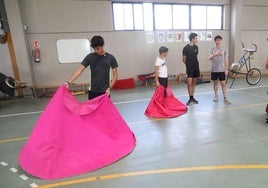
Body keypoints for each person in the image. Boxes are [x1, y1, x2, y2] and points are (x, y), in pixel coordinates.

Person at [65, 35, 118, 99]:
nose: (96, 51)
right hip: (92, 91)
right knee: (91, 109)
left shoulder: (110, 58)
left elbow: (115, 75)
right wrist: (69, 82)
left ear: (103, 45)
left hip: (105, 91)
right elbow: (79, 70)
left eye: (98, 48)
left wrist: (110, 88)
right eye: (94, 49)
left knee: (104, 109)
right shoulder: (90, 57)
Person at [145, 46, 187, 118]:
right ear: (163, 52)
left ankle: (164, 105)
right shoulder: (158, 60)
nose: (167, 53)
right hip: (161, 79)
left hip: (165, 78)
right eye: (166, 52)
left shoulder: (163, 58)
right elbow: (156, 71)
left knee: (164, 93)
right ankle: (159, 108)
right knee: (160, 95)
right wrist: (157, 81)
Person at [208, 35, 231, 104]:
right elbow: (210, 58)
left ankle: (225, 98)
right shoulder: (212, 49)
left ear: (221, 41)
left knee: (223, 84)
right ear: (215, 41)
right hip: (214, 69)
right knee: (215, 83)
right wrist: (215, 54)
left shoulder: (224, 49)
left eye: (219, 40)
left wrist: (226, 69)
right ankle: (216, 96)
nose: (218, 41)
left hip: (222, 69)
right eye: (217, 40)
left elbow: (226, 59)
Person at [182, 32, 200, 105]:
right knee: (189, 83)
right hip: (189, 68)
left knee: (194, 82)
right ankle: (190, 98)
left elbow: (195, 57)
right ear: (192, 39)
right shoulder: (186, 48)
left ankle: (192, 97)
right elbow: (183, 60)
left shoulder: (196, 47)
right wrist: (189, 65)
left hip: (196, 67)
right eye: (196, 38)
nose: (197, 39)